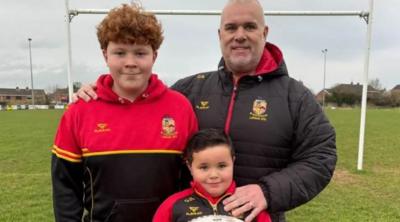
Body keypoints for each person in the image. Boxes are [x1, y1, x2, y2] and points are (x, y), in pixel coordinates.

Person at [75, 0, 337, 221]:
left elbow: (320, 157)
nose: (240, 35)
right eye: (231, 27)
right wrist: (102, 90)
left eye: (249, 26)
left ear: (264, 32)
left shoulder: (295, 96)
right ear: (220, 34)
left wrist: (266, 192)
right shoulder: (189, 90)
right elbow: (140, 102)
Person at [51, 4, 198, 222]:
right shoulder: (80, 111)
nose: (130, 63)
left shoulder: (180, 108)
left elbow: (193, 178)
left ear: (154, 56)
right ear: (105, 55)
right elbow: (65, 187)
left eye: (140, 53)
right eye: (120, 52)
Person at [153, 128, 271, 222]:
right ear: (190, 167)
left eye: (222, 166)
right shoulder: (172, 206)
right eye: (204, 167)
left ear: (233, 162)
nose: (214, 175)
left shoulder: (250, 204)